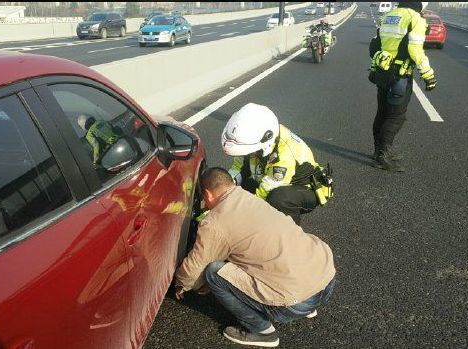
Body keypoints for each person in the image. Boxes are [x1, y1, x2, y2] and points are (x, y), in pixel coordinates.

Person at [174, 167, 336, 348]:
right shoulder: (250, 198)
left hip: (294, 303)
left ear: (208, 194)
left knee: (214, 273)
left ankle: (262, 331)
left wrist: (183, 284)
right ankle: (308, 302)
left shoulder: (215, 223)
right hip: (326, 279)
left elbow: (194, 270)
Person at [221, 103, 333, 224]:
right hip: (270, 178)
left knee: (278, 199)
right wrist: (225, 188)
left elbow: (264, 192)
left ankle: (289, 235)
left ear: (266, 140)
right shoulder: (256, 136)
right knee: (238, 187)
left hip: (305, 188)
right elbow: (239, 166)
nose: (247, 154)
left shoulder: (284, 155)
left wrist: (235, 212)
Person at [368, 1, 436, 172]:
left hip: (383, 72)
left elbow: (376, 44)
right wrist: (428, 75)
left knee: (382, 113)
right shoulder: (415, 18)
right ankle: (383, 155)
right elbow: (415, 51)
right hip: (399, 75)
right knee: (396, 116)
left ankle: (378, 152)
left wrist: (374, 68)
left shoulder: (388, 15)